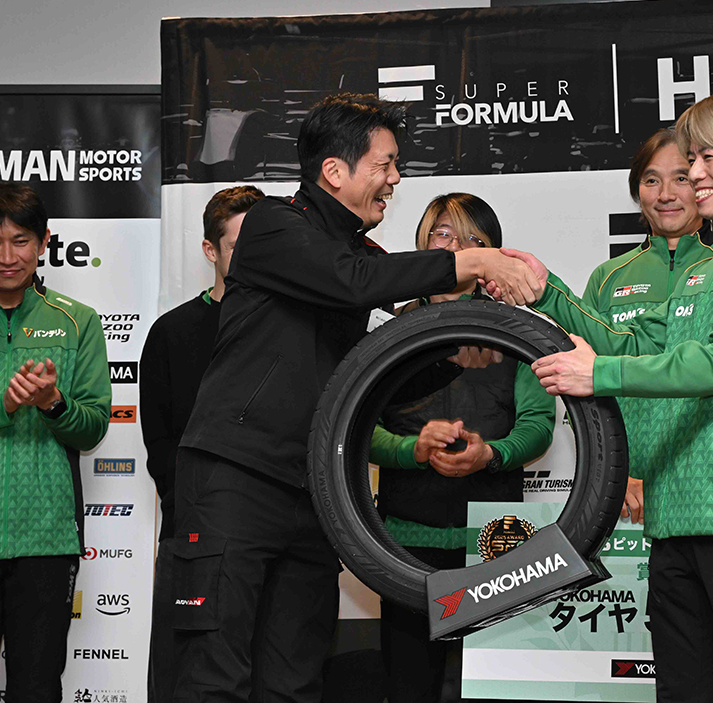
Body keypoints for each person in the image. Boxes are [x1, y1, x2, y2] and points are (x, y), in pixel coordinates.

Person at [169, 93, 543, 703]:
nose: (395, 179)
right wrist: (468, 260)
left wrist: (453, 353)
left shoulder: (361, 255)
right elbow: (350, 282)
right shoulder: (272, 226)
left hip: (319, 489)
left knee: (295, 678)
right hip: (236, 479)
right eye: (385, 164)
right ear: (334, 171)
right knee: (216, 673)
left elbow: (377, 383)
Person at [497, 83, 713, 702]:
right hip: (674, 516)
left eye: (709, 158)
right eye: (692, 158)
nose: (694, 173)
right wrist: (548, 293)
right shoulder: (703, 262)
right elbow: (630, 344)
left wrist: (598, 375)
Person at [370, 192, 556, 703]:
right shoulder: (385, 330)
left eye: (474, 239)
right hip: (405, 545)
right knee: (410, 689)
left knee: (498, 689)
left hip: (498, 543)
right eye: (444, 234)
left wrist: (491, 453)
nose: (457, 247)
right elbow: (356, 430)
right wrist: (412, 448)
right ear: (423, 243)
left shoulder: (516, 329)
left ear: (492, 254)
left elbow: (539, 424)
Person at [0, 182, 111, 703]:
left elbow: (93, 426)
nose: (8, 256)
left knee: (37, 689)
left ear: (44, 242)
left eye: (21, 240)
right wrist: (2, 407)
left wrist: (53, 403)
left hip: (47, 541)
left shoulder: (78, 321)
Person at [141, 184, 265, 703]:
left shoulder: (296, 330)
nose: (254, 257)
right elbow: (161, 445)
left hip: (278, 536)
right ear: (210, 250)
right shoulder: (172, 333)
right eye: (239, 246)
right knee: (192, 681)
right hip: (196, 539)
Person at [583, 129, 708, 525]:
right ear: (638, 191)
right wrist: (613, 471)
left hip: (709, 489)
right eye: (652, 180)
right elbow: (582, 384)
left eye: (681, 178)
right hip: (621, 493)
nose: (666, 194)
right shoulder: (607, 278)